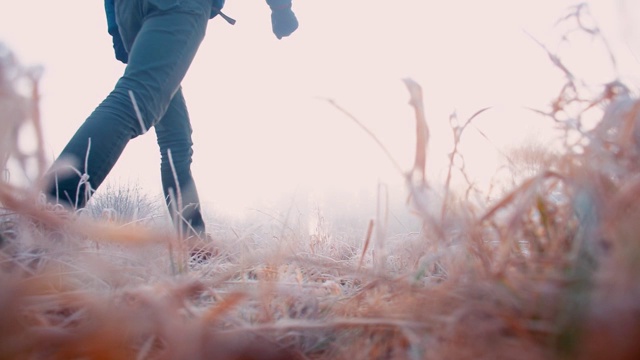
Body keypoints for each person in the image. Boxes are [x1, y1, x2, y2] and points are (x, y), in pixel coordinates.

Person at [44, 0, 299, 240]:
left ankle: (192, 238)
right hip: (177, 6)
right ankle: (43, 215)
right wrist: (281, 8)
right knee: (135, 101)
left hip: (129, 11)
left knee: (176, 139)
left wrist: (116, 27)